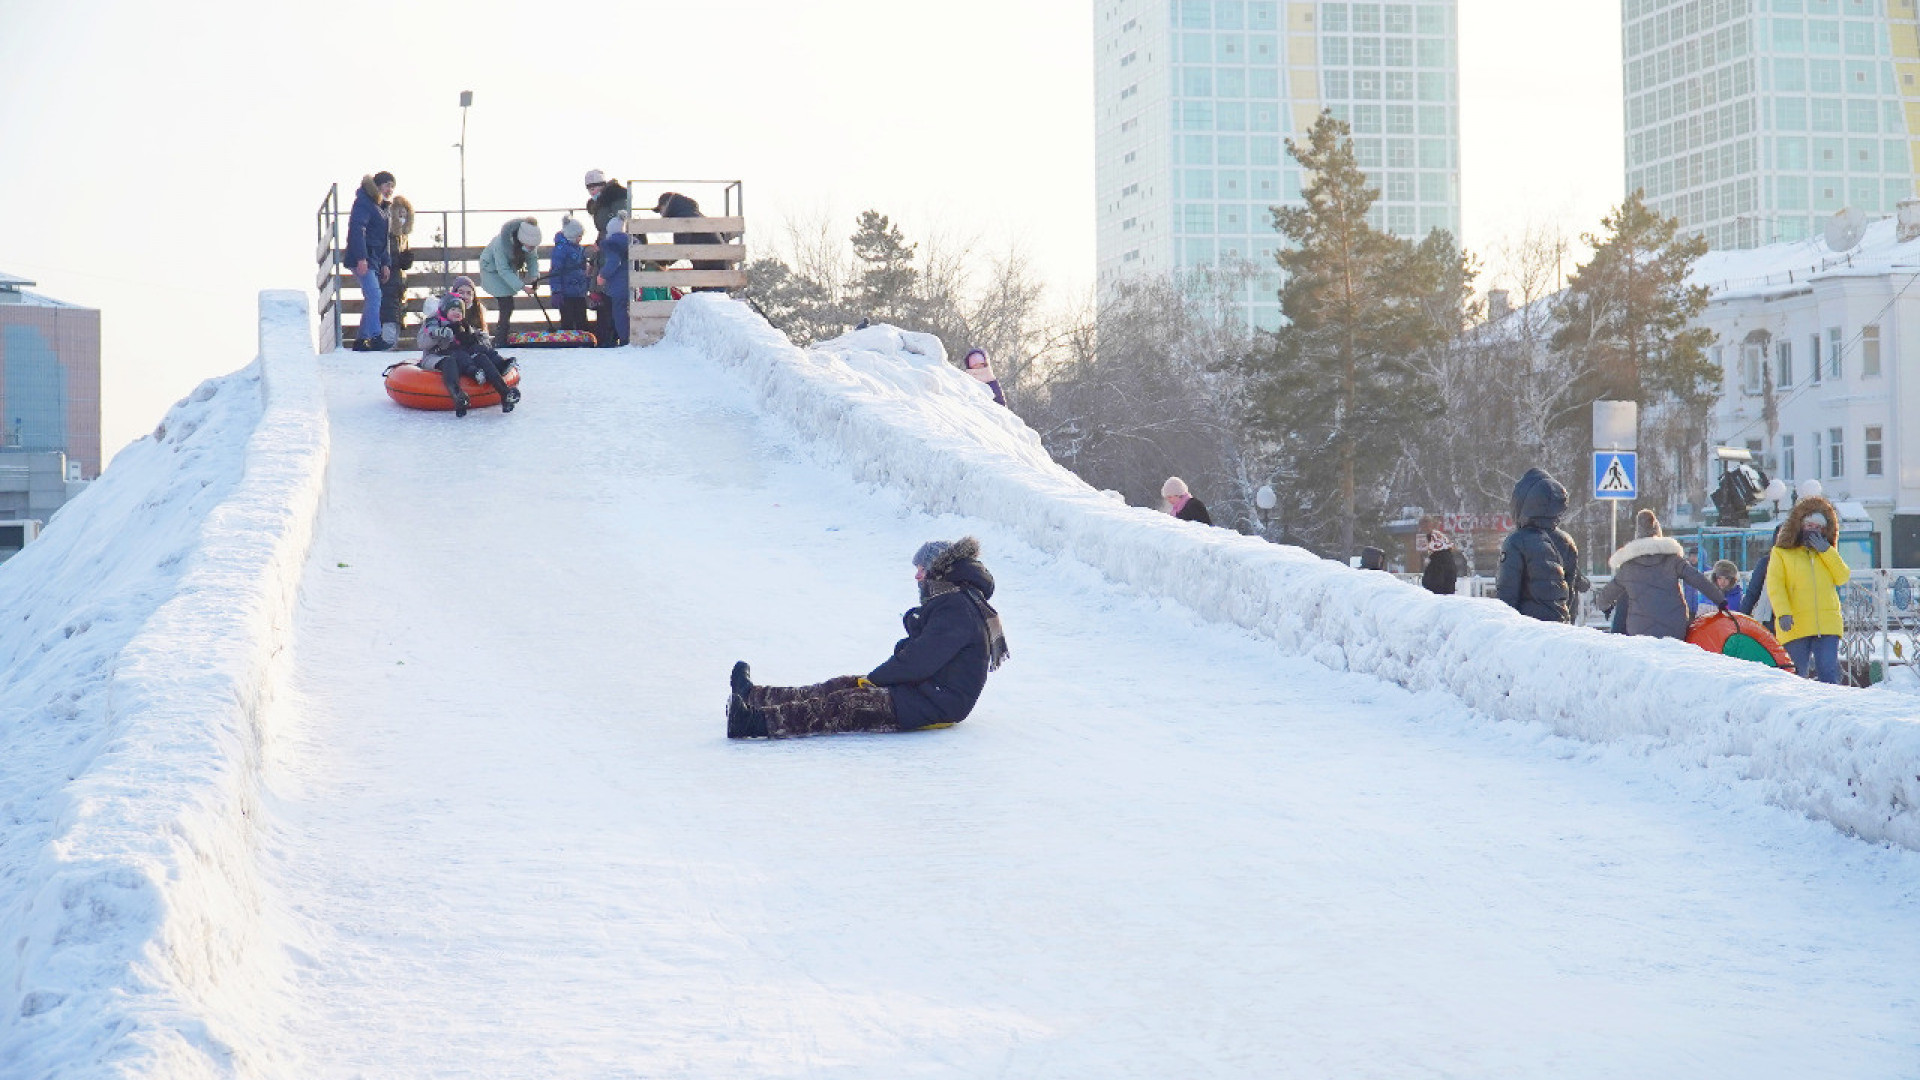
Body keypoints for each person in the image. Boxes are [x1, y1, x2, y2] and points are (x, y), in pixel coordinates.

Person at [726, 537, 1009, 739]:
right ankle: (753, 696)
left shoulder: (958, 608)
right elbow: (920, 654)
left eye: (922, 569)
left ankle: (753, 723)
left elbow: (918, 660)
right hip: (922, 693)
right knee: (841, 686)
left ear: (939, 571)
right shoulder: (957, 604)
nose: (917, 577)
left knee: (843, 705)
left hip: (934, 705)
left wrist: (875, 680)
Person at [1594, 509, 1726, 639]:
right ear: (1658, 533)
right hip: (1675, 627)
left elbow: (1605, 596)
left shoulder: (1628, 567)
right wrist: (1720, 600)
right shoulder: (1673, 560)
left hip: (1639, 630)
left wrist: (1606, 607)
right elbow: (1698, 580)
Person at [1765, 495, 1851, 683]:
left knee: (1828, 673)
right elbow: (1775, 585)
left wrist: (1827, 552)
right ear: (1800, 526)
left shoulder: (1826, 553)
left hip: (1827, 624)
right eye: (1810, 526)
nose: (1814, 531)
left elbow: (1842, 576)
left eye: (1819, 528)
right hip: (1796, 624)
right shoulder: (1781, 553)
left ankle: (1831, 709)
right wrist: (1783, 613)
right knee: (1796, 675)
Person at [1495, 467, 1589, 623]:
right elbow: (1570, 593)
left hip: (1527, 630)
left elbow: (1507, 596)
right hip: (1559, 629)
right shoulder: (1567, 541)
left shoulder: (1516, 541)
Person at [417, 292, 520, 419]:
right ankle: (458, 396)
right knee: (451, 361)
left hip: (462, 356)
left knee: (481, 357)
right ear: (445, 310)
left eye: (459, 310)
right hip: (437, 356)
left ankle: (505, 393)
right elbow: (422, 343)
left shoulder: (463, 325)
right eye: (453, 309)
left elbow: (473, 340)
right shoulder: (433, 322)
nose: (456, 312)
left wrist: (479, 338)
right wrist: (439, 335)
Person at [344, 171, 395, 351]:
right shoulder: (364, 202)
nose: (390, 190)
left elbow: (384, 239)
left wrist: (386, 263)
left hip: (374, 259)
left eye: (392, 187)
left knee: (372, 296)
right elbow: (357, 230)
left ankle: (361, 340)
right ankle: (374, 336)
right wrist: (361, 258)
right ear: (378, 185)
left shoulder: (382, 207)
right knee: (374, 295)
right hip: (363, 258)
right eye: (387, 185)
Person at [479, 217, 541, 342]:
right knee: (506, 303)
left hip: (507, 271)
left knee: (508, 305)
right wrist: (523, 287)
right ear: (521, 240)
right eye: (529, 246)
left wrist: (534, 276)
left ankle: (502, 334)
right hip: (492, 270)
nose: (531, 249)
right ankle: (500, 337)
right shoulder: (500, 245)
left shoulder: (528, 243)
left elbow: (532, 259)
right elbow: (503, 270)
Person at [652, 191, 730, 289]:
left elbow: (680, 249)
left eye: (660, 210)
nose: (661, 214)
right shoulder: (693, 214)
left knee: (701, 298)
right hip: (717, 267)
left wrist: (658, 261)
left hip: (709, 270)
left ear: (667, 205)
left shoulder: (682, 218)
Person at [379, 192, 415, 346]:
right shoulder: (387, 234)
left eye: (405, 214)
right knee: (389, 316)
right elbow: (383, 254)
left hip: (399, 284)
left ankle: (391, 344)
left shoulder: (403, 237)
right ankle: (387, 344)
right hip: (388, 281)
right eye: (399, 213)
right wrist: (396, 260)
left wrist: (405, 260)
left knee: (397, 315)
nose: (402, 218)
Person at [594, 213, 632, 346]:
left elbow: (614, 262)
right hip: (633, 281)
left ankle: (624, 339)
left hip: (618, 284)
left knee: (619, 311)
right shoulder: (631, 241)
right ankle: (632, 336)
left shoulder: (611, 244)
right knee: (631, 310)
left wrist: (602, 275)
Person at [549, 217, 592, 335]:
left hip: (579, 292)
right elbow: (555, 271)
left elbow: (583, 268)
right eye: (578, 236)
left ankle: (583, 340)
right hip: (566, 293)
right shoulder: (561, 249)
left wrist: (586, 282)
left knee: (582, 319)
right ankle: (567, 342)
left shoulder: (579, 249)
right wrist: (556, 291)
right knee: (567, 320)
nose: (580, 238)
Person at [584, 169, 630, 242]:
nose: (591, 191)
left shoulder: (615, 196)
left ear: (602, 185)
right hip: (605, 237)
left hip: (617, 238)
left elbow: (621, 221)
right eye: (589, 188)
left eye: (593, 187)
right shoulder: (597, 202)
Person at [1417, 528, 1460, 596]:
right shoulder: (1448, 556)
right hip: (1447, 597)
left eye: (1428, 542)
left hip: (1438, 599)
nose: (1427, 545)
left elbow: (1434, 582)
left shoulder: (1437, 559)